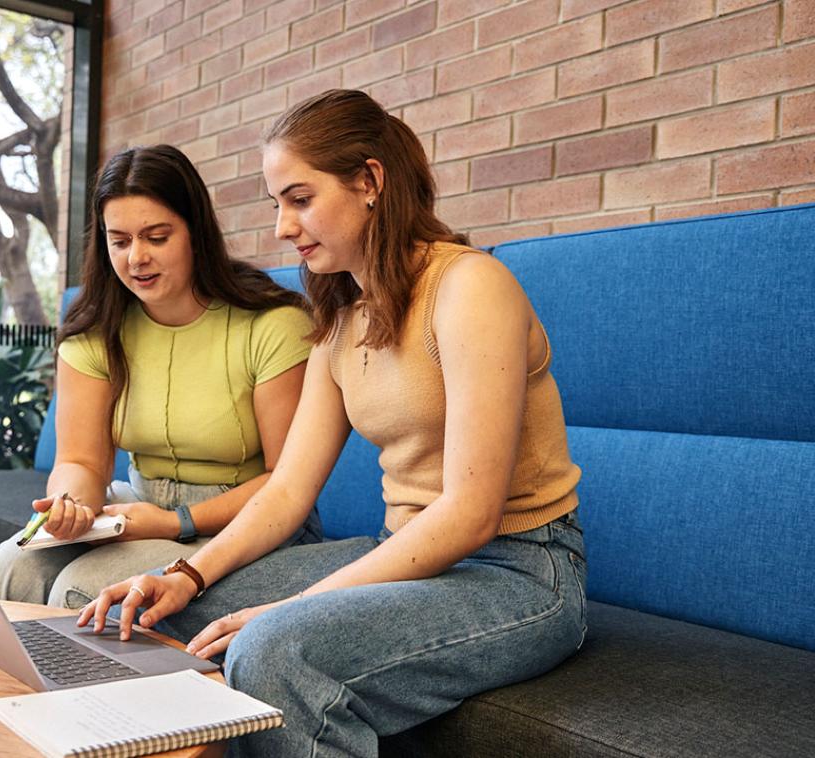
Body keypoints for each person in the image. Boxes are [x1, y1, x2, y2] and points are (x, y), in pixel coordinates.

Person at [77, 90, 587, 757]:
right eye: (276, 204)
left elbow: (470, 513)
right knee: (157, 615)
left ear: (369, 182)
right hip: (408, 553)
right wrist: (184, 575)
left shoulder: (470, 287)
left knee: (273, 649)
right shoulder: (344, 319)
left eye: (300, 198)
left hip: (521, 573)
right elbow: (287, 490)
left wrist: (296, 607)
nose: (284, 226)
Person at [0, 144, 320, 609]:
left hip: (247, 524)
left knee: (81, 590)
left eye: (156, 237)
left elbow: (287, 483)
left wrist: (176, 521)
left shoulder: (272, 326)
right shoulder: (95, 333)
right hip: (137, 510)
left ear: (195, 233)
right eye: (119, 241)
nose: (136, 257)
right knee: (10, 568)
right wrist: (71, 505)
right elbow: (80, 461)